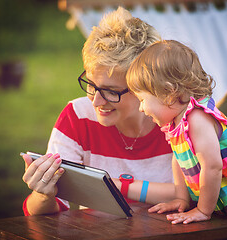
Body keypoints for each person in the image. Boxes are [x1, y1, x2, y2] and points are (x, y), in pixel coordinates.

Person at [21, 7, 175, 216]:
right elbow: (45, 215)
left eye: (111, 91)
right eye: (92, 85)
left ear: (146, 86)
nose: (96, 101)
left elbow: (208, 196)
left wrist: (120, 186)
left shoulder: (177, 120)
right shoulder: (77, 117)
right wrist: (43, 194)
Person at [126, 40, 227, 240]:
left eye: (142, 100)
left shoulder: (197, 119)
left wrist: (202, 211)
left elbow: (212, 167)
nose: (141, 108)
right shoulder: (177, 124)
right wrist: (181, 198)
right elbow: (179, 159)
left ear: (168, 93)